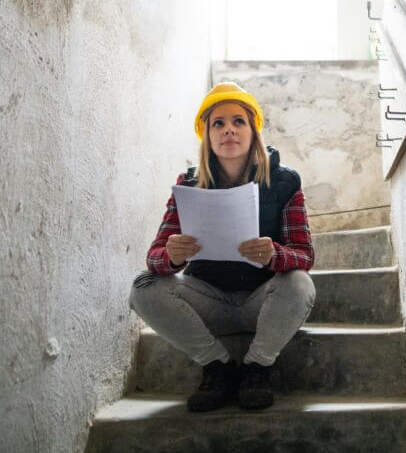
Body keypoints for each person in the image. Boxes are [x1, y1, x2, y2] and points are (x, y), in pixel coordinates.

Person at [128, 82, 316, 412]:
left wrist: (275, 254)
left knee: (300, 283)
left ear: (254, 130)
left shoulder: (286, 181)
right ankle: (217, 366)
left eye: (238, 121)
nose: (228, 129)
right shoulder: (188, 184)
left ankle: (256, 368)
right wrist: (171, 256)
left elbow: (305, 254)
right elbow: (154, 256)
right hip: (209, 300)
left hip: (264, 301)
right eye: (219, 123)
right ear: (207, 135)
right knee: (143, 287)